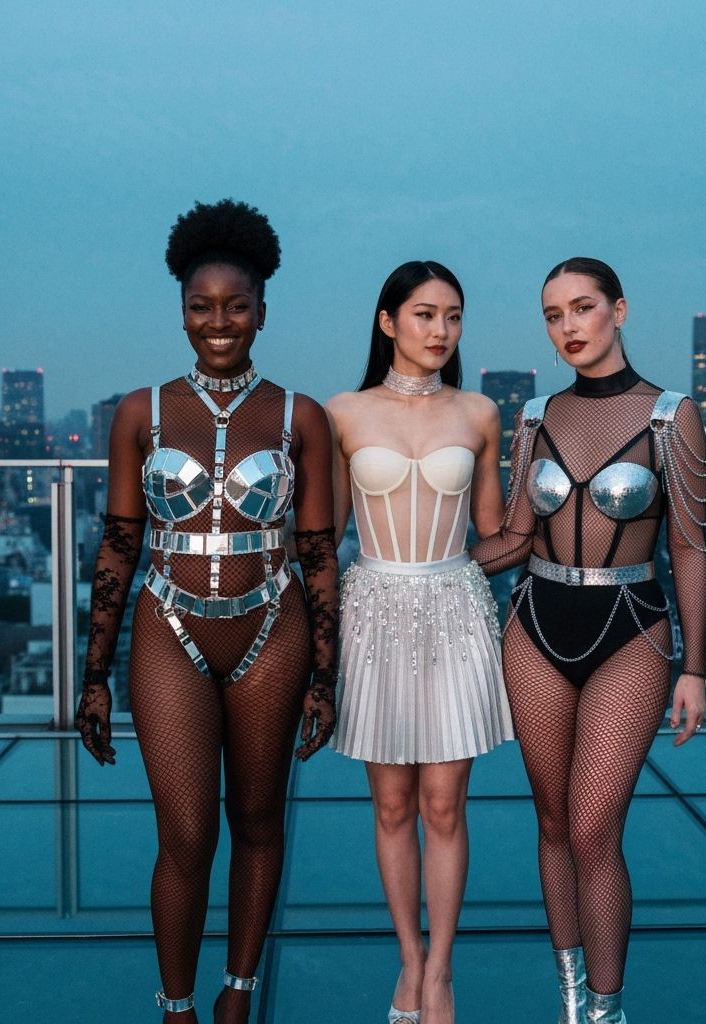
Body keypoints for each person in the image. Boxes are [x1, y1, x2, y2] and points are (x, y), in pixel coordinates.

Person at [74, 199, 339, 1024]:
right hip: (167, 626)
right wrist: (93, 677)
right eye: (201, 306)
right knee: (186, 837)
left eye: (236, 306)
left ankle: (239, 992)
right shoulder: (139, 413)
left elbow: (322, 554)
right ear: (180, 312)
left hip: (273, 625)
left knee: (257, 822)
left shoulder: (302, 417)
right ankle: (177, 1005)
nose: (218, 322)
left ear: (262, 311)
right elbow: (119, 546)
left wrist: (325, 677)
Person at [471, 258, 706, 1024]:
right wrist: (424, 564)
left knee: (592, 827)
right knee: (550, 821)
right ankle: (572, 1004)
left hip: (631, 627)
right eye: (553, 314)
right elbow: (514, 535)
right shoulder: (537, 415)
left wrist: (695, 670)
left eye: (583, 308)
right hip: (534, 622)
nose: (568, 326)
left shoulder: (673, 414)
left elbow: (688, 549)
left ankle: (609, 1013)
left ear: (620, 310)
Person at [326, 261, 514, 1024]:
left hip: (456, 606)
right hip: (369, 606)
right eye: (425, 315)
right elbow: (323, 539)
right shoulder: (342, 411)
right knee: (392, 805)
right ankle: (408, 958)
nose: (441, 332)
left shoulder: (478, 412)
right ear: (387, 322)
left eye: (454, 318)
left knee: (445, 805)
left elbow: (499, 536)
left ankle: (440, 973)